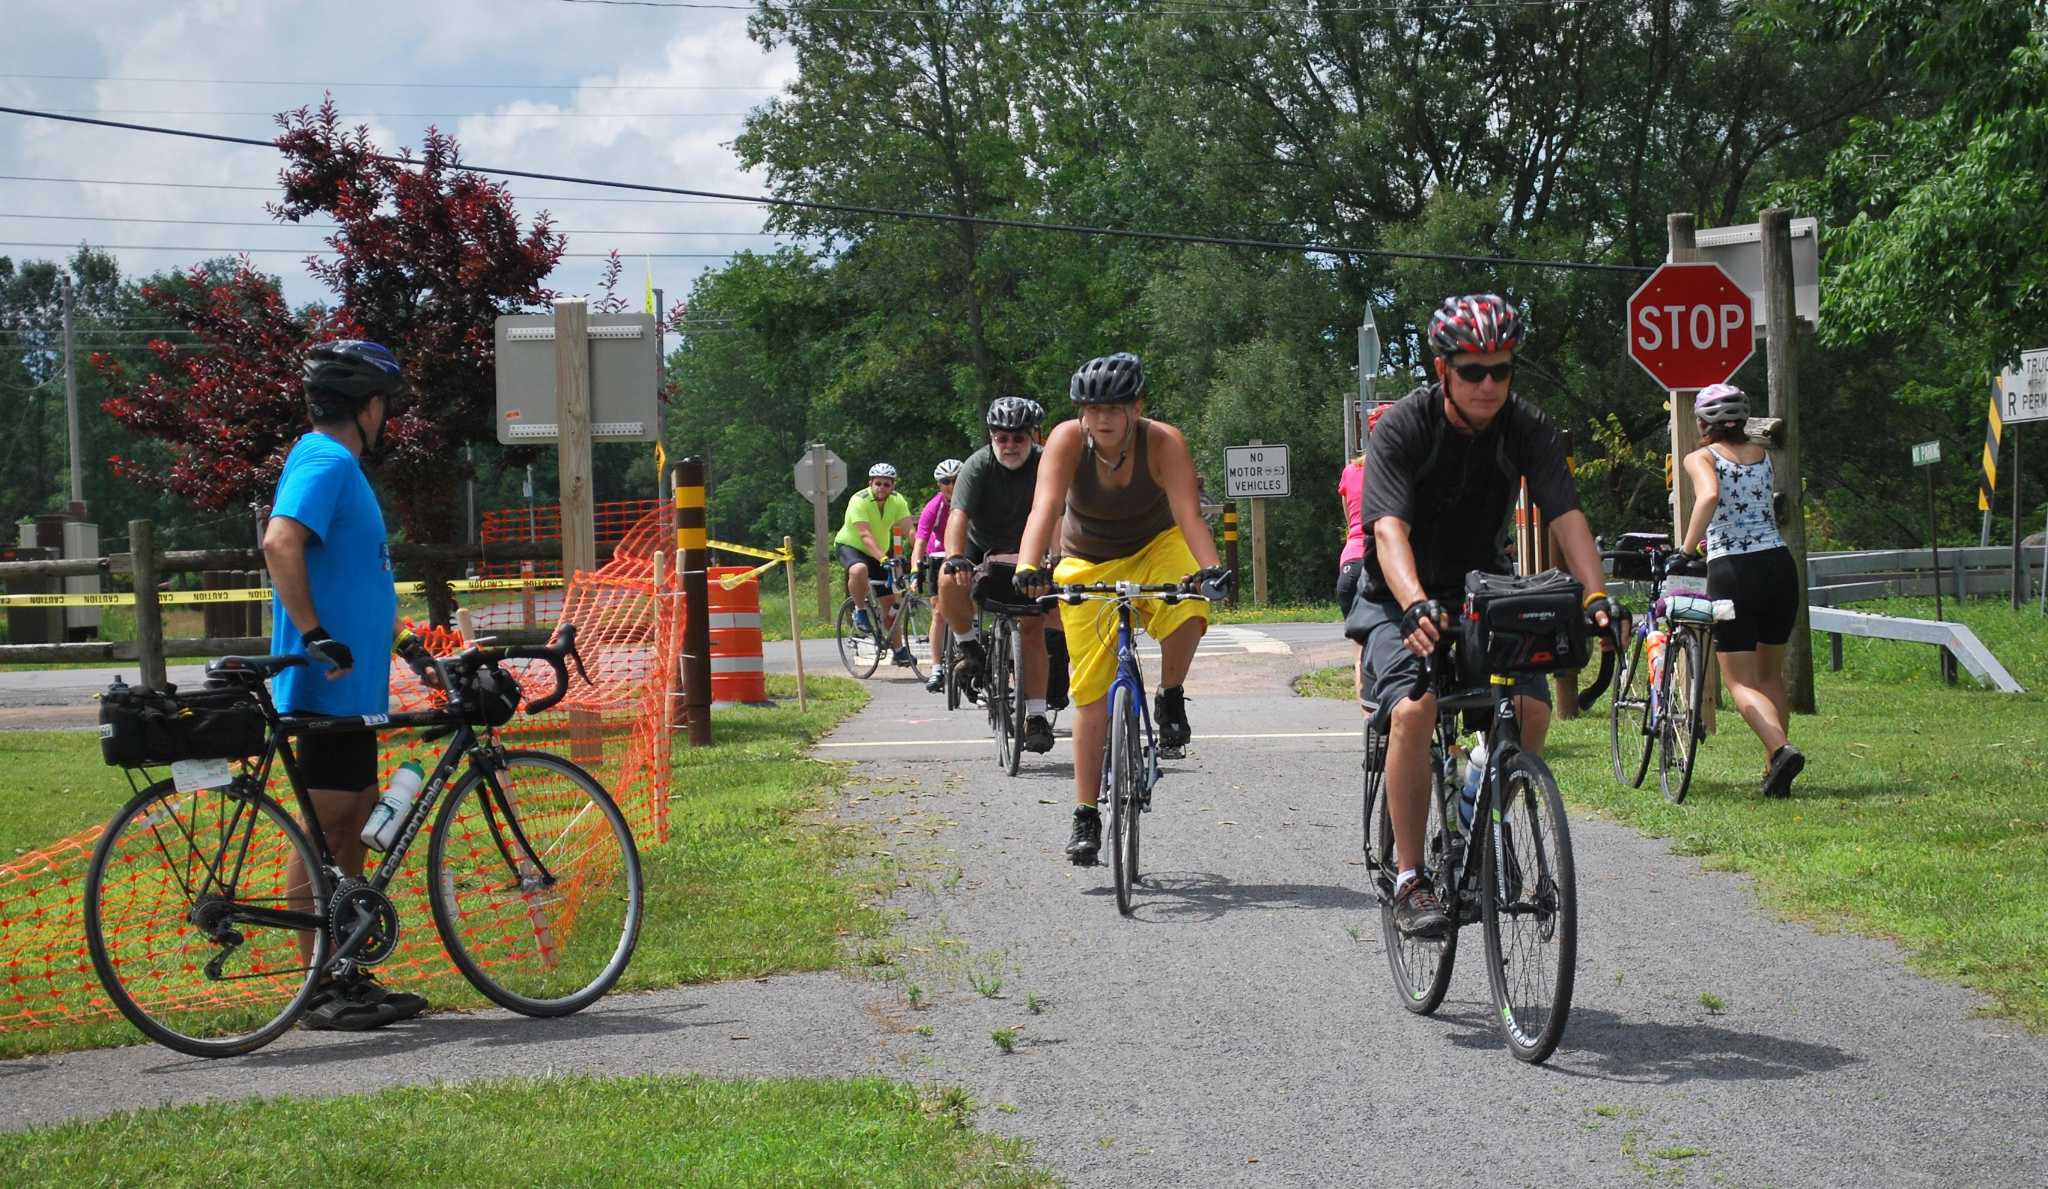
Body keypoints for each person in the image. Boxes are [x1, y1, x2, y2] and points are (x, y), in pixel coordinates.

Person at [1349, 295, 1614, 939]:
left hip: (1482, 591)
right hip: (1397, 591)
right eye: (1473, 371)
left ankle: (1477, 799)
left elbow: (1567, 518)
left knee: (1530, 710)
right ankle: (1411, 877)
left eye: (1501, 369)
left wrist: (1595, 598)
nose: (1489, 383)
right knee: (1415, 710)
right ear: (1443, 370)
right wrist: (1413, 602)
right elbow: (1387, 530)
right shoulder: (1403, 428)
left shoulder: (1528, 428)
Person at [261, 340, 438, 1031]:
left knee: (356, 825)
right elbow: (280, 541)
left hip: (356, 690)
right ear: (369, 407)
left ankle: (346, 973)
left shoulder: (343, 469)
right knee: (326, 827)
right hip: (325, 686)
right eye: (385, 405)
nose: (387, 417)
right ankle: (315, 987)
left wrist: (404, 643)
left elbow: (358, 583)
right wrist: (310, 634)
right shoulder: (326, 459)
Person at [1013, 353, 1232, 865]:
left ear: (1137, 407)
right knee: (1089, 694)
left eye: (1114, 407)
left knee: (1191, 608)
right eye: (1092, 408)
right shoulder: (1067, 442)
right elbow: (1043, 508)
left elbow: (1187, 512)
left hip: (1157, 545)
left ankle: (1171, 694)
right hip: (1086, 559)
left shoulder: (1163, 441)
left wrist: (1211, 567)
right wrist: (1028, 565)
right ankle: (1086, 813)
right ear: (1080, 413)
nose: (1102, 418)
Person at [1680, 383, 1804, 798]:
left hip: (1734, 572)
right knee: (1770, 676)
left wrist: (1684, 549)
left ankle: (1780, 749)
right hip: (1779, 569)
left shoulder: (1700, 457)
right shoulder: (1762, 455)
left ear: (1702, 423)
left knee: (1739, 682)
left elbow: (1710, 495)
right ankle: (1775, 770)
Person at [939, 398, 1062, 751]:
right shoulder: (977, 465)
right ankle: (968, 646)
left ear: (1033, 436)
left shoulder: (1046, 463)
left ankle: (1036, 715)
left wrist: (1054, 561)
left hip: (1030, 547)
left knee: (1034, 623)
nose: (1009, 446)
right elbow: (958, 517)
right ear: (992, 437)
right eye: (1001, 438)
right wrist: (956, 557)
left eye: (1017, 439)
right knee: (948, 578)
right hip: (985, 544)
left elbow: (1057, 516)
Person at [833, 462, 918, 667]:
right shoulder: (859, 500)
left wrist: (920, 554)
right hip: (852, 546)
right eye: (877, 483)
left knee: (890, 604)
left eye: (886, 484)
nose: (881, 488)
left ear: (893, 486)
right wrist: (882, 559)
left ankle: (898, 651)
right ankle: (859, 610)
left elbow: (910, 531)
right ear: (870, 483)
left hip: (879, 551)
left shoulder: (897, 501)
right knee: (859, 569)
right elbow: (864, 535)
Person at [1337, 403, 1393, 704]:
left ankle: (1371, 726)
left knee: (1360, 647)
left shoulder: (1352, 470)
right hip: (1386, 564)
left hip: (1352, 562)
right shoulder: (1407, 471)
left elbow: (1351, 521)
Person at [913, 458, 962, 691]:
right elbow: (920, 542)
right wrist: (915, 570)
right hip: (938, 554)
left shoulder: (974, 500)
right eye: (945, 482)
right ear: (939, 485)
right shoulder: (934, 506)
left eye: (956, 480)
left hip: (964, 552)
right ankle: (936, 668)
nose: (951, 486)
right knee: (939, 613)